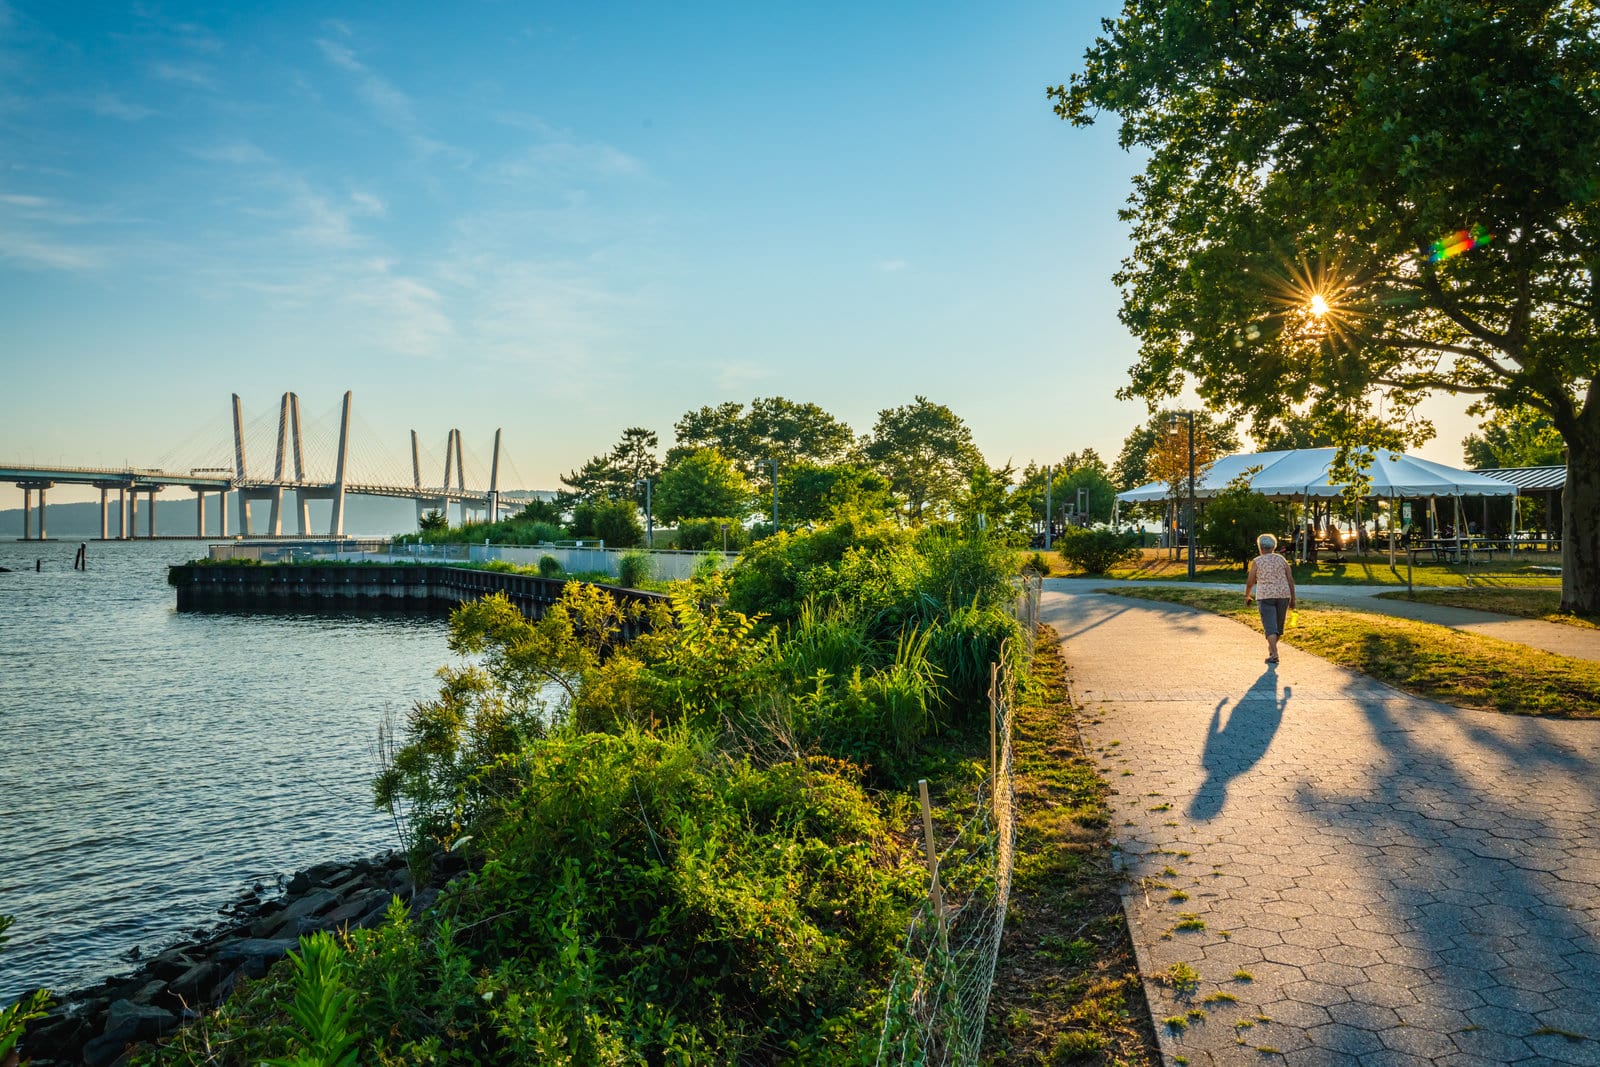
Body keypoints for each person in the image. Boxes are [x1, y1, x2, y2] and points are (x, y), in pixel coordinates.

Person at [1244, 533, 1296, 665]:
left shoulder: (1257, 561)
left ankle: (1274, 654)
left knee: (1270, 627)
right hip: (1283, 595)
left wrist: (1247, 595)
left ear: (1260, 547)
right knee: (1278, 626)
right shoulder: (1281, 560)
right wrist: (1293, 598)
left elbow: (1250, 581)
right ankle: (1273, 649)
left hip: (1265, 596)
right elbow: (1290, 580)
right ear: (1274, 547)